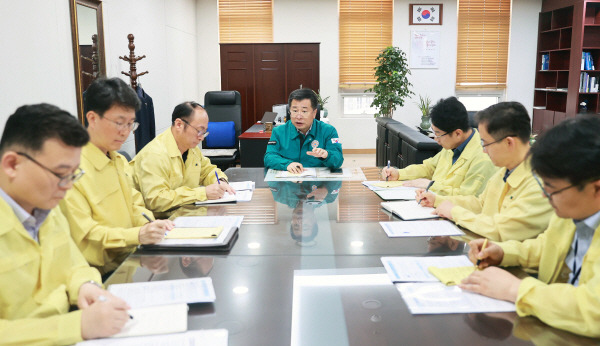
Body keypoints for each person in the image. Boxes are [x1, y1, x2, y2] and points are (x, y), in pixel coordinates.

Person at [0, 104, 131, 344]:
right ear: (11, 165)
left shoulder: (46, 206)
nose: (68, 186)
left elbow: (73, 264)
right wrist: (76, 326)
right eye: (61, 174)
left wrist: (86, 285)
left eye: (73, 174)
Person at [460, 115, 600, 337]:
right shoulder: (571, 212)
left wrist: (514, 289)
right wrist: (503, 252)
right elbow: (547, 247)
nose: (546, 196)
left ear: (596, 188)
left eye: (552, 189)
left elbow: (594, 310)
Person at [60, 78, 173, 275]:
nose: (125, 132)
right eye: (119, 123)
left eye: (131, 124)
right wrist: (137, 235)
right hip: (98, 276)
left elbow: (135, 205)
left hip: (132, 260)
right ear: (93, 118)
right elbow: (87, 235)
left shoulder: (118, 160)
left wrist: (150, 224)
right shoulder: (71, 170)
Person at [419, 102, 553, 241]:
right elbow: (480, 204)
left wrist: (455, 212)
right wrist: (437, 200)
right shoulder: (504, 171)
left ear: (509, 143)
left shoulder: (540, 184)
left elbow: (502, 230)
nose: (483, 150)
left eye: (486, 143)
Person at [131, 101, 234, 213]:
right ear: (179, 124)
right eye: (199, 131)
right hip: (159, 222)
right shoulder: (155, 154)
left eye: (204, 132)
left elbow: (207, 171)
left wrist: (221, 181)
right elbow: (156, 200)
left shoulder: (192, 149)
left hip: (185, 214)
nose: (202, 138)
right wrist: (202, 193)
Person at [381, 97, 496, 196]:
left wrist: (431, 185)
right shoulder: (452, 145)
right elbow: (429, 168)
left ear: (457, 133)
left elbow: (468, 197)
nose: (436, 140)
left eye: (438, 134)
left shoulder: (483, 157)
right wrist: (399, 173)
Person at [264, 88, 343, 173]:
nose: (298, 116)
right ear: (289, 111)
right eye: (294, 111)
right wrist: (287, 164)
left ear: (314, 113)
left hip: (317, 184)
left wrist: (327, 155)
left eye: (304, 111)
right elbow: (269, 157)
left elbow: (338, 160)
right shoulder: (278, 132)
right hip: (290, 183)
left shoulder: (329, 131)